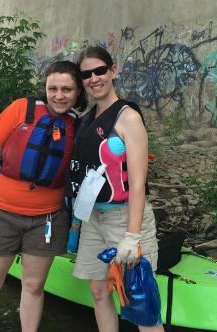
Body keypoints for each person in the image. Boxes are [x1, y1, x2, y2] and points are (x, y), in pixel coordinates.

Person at [0, 60, 87, 332]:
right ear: (45, 87)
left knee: (33, 286)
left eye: (67, 89)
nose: (59, 95)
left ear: (78, 92)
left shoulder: (78, 126)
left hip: (47, 221)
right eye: (52, 88)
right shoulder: (21, 108)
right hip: (1, 215)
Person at [69, 46, 164, 332]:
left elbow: (137, 183)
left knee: (141, 304)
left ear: (113, 70)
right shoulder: (86, 119)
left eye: (100, 70)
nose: (94, 78)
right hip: (93, 219)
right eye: (87, 74)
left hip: (125, 220)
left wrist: (132, 237)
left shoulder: (127, 117)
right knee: (99, 292)